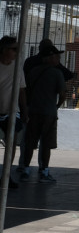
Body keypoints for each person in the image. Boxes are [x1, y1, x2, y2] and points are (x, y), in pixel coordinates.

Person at [17, 43, 66, 183]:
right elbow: (62, 95)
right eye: (56, 56)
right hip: (49, 113)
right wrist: (56, 106)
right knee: (46, 143)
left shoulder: (33, 71)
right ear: (49, 57)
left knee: (30, 142)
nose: (58, 58)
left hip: (33, 111)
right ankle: (44, 171)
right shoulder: (57, 73)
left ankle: (25, 169)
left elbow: (26, 90)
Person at [0, 36, 28, 190]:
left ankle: (6, 175)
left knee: (12, 140)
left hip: (10, 111)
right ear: (4, 50)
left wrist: (24, 111)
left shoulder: (17, 67)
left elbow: (21, 90)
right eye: (14, 49)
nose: (17, 53)